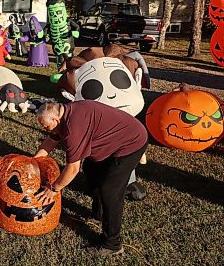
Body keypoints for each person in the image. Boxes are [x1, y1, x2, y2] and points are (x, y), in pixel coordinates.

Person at [34, 101, 148, 256]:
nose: (45, 129)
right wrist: (32, 163)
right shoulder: (63, 113)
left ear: (56, 120)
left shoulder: (73, 129)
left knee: (110, 191)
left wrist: (54, 188)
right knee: (91, 170)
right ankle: (98, 215)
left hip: (131, 142)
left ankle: (113, 244)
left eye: (46, 126)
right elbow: (51, 140)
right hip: (112, 140)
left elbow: (73, 169)